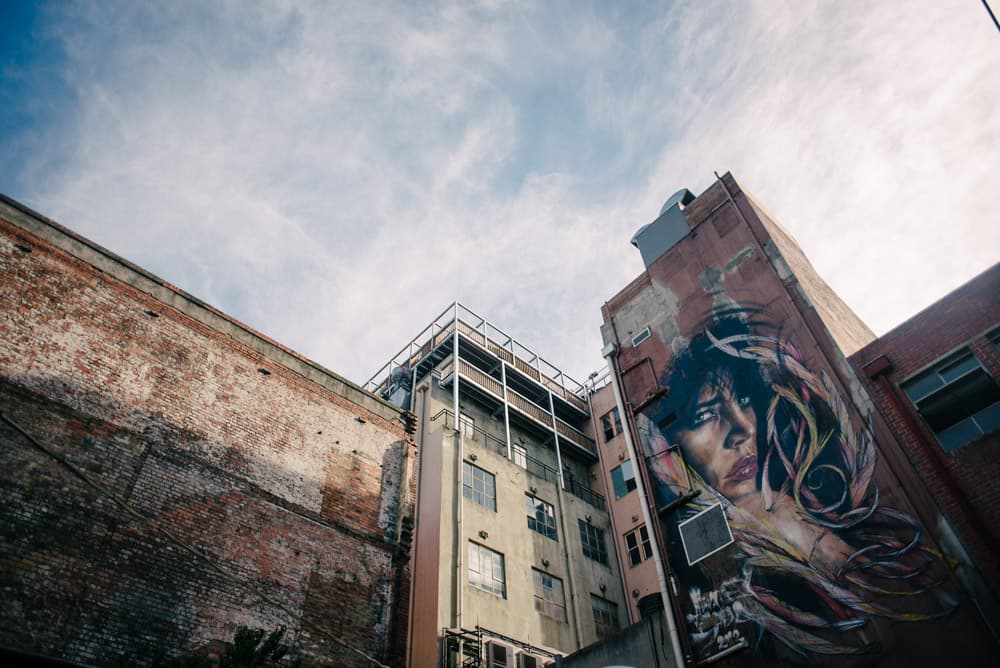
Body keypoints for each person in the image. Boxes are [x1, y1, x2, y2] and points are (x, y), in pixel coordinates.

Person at [636, 310, 955, 659]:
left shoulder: (831, 509)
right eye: (705, 416)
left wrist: (802, 531)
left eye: (743, 401)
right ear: (668, 448)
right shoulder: (703, 566)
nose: (744, 429)